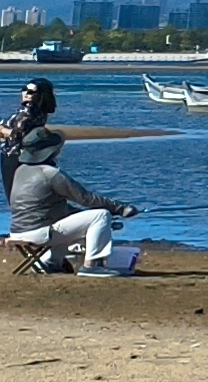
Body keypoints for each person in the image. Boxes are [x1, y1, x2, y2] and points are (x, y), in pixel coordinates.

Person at [6, 77, 136, 274]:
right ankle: (90, 267)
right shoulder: (50, 174)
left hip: (18, 230)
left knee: (74, 220)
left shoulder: (19, 172)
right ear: (50, 152)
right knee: (101, 216)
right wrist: (121, 208)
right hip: (39, 232)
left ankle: (50, 262)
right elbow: (87, 199)